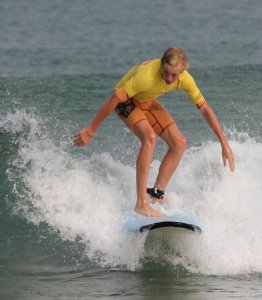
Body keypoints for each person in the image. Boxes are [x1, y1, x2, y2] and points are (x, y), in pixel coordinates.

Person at [73, 47, 235, 217]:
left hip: (146, 101)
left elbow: (205, 108)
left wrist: (224, 143)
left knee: (179, 143)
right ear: (162, 64)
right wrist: (90, 131)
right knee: (149, 137)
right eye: (166, 72)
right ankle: (141, 204)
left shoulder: (184, 78)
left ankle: (156, 196)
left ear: (182, 71)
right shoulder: (146, 77)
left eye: (174, 75)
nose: (169, 79)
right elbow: (114, 99)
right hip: (125, 102)